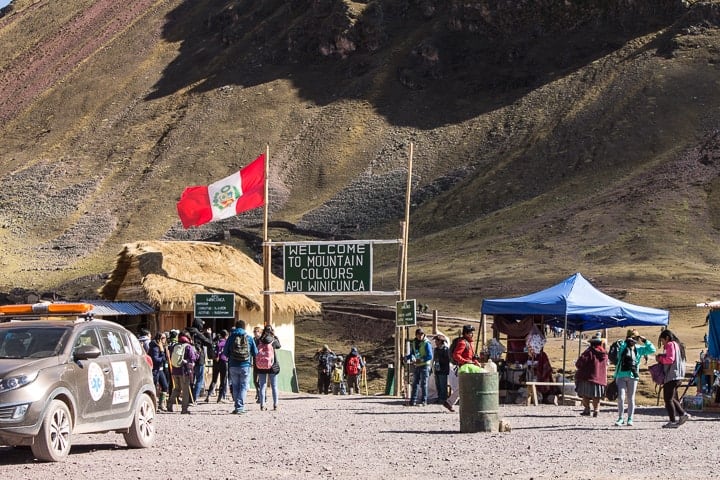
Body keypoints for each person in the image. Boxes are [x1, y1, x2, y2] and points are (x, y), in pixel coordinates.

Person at [612, 328, 656, 426]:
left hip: (633, 376)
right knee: (621, 397)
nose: (632, 339)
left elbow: (652, 349)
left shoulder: (639, 348)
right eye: (631, 337)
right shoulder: (622, 346)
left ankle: (630, 418)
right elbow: (618, 353)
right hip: (621, 375)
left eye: (635, 338)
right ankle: (620, 418)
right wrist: (626, 342)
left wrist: (645, 341)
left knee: (631, 398)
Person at [656, 329, 690, 428]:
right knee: (672, 397)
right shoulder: (678, 345)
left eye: (662, 341)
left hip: (672, 375)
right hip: (679, 375)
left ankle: (673, 420)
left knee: (668, 399)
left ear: (667, 338)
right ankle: (682, 414)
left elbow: (670, 359)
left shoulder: (670, 344)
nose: (663, 344)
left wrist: (660, 359)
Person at [223, 319, 257, 414]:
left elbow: (225, 353)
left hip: (233, 365)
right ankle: (240, 407)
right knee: (243, 386)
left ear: (236, 326)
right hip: (245, 365)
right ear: (244, 327)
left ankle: (237, 406)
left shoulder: (231, 338)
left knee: (235, 386)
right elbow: (255, 353)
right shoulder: (249, 338)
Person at [444, 325, 480, 412]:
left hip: (470, 367)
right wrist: (465, 361)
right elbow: (456, 355)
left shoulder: (470, 343)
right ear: (466, 333)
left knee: (464, 387)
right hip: (464, 368)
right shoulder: (462, 342)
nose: (472, 334)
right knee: (466, 387)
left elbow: (471, 356)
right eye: (470, 332)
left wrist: (475, 361)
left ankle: (449, 402)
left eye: (472, 332)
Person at [574, 332, 607, 417]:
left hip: (588, 377)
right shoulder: (604, 354)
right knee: (597, 396)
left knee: (586, 395)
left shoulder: (589, 352)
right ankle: (596, 410)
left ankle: (587, 409)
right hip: (600, 378)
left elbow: (579, 363)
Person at [167, 330, 199, 414]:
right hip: (184, 372)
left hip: (174, 370)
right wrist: (197, 354)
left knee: (177, 389)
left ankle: (169, 404)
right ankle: (184, 409)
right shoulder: (188, 346)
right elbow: (193, 358)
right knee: (185, 391)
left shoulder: (175, 346)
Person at [256, 325, 281, 411]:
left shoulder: (259, 340)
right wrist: (275, 336)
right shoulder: (273, 340)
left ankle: (262, 405)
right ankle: (275, 404)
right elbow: (279, 346)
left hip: (261, 365)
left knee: (262, 385)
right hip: (272, 365)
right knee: (274, 386)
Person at [406, 327, 433, 406]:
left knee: (423, 383)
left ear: (424, 335)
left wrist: (421, 360)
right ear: (416, 335)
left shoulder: (427, 343)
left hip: (425, 365)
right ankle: (413, 401)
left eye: (421, 334)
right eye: (418, 335)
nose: (420, 336)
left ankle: (424, 401)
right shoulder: (414, 343)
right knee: (415, 383)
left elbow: (430, 356)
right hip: (417, 365)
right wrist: (407, 357)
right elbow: (412, 353)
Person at [189, 318, 213, 404]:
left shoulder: (186, 332)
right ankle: (193, 399)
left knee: (190, 380)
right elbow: (209, 342)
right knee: (199, 379)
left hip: (188, 360)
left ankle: (188, 397)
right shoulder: (198, 334)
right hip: (199, 360)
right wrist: (209, 334)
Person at [205, 329, 229, 403]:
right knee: (223, 380)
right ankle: (220, 398)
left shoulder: (216, 342)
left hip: (215, 361)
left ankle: (208, 395)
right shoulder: (226, 343)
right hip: (224, 361)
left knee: (214, 379)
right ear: (226, 336)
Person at [148, 331, 169, 411]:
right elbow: (156, 360)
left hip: (160, 370)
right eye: (163, 338)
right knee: (153, 387)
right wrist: (163, 353)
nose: (165, 340)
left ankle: (161, 404)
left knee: (165, 386)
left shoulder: (160, 347)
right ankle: (153, 405)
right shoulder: (155, 347)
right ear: (159, 339)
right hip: (155, 370)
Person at [433, 334, 450, 404]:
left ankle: (444, 399)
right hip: (437, 369)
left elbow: (447, 360)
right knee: (438, 385)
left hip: (443, 369)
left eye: (436, 341)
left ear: (440, 341)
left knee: (443, 385)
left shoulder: (446, 349)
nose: (435, 342)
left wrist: (439, 361)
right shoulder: (436, 349)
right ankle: (439, 397)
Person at [252, 325, 263, 403]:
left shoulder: (262, 341)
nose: (255, 333)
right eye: (254, 332)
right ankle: (259, 393)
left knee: (261, 380)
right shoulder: (253, 340)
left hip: (262, 362)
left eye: (257, 331)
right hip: (255, 361)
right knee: (255, 380)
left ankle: (261, 396)